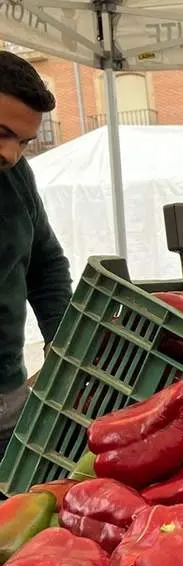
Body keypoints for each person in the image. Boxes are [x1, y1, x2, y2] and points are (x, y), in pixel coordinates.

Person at [0, 51, 71, 459]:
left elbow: (46, 267)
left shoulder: (16, 176)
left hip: (8, 394)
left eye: (23, 143)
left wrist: (62, 348)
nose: (10, 154)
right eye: (2, 133)